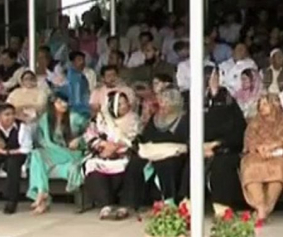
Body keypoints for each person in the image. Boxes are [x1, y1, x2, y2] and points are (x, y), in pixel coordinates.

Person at [179, 82, 247, 216]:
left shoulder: (232, 112)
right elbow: (188, 132)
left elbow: (237, 135)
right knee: (193, 163)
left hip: (226, 150)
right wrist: (200, 147)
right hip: (202, 148)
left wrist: (216, 145)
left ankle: (221, 208)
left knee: (221, 166)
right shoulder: (200, 112)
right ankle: (188, 204)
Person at [241, 94, 283, 221]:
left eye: (265, 104)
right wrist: (259, 148)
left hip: (282, 154)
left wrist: (275, 145)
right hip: (258, 154)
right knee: (250, 167)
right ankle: (260, 205)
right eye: (260, 105)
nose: (261, 108)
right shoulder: (255, 122)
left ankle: (267, 207)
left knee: (278, 168)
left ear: (274, 105)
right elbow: (249, 139)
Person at [83, 91, 142, 220]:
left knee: (133, 164)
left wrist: (115, 147)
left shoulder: (133, 119)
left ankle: (125, 206)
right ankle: (105, 205)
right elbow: (90, 136)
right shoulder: (100, 119)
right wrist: (103, 144)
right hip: (103, 154)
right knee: (91, 165)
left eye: (125, 103)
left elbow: (134, 140)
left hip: (124, 154)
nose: (124, 106)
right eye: (120, 104)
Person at [27, 93, 89, 214]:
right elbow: (43, 141)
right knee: (37, 157)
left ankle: (42, 195)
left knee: (37, 156)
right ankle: (42, 195)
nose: (64, 105)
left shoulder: (75, 117)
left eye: (65, 102)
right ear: (52, 104)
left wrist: (79, 139)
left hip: (71, 153)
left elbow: (92, 130)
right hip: (52, 153)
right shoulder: (45, 119)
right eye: (60, 102)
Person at [136, 88, 189, 204]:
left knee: (168, 163)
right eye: (161, 101)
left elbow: (186, 141)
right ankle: (134, 201)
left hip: (177, 153)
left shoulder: (184, 118)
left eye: (166, 102)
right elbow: (146, 136)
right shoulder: (155, 117)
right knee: (135, 162)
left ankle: (169, 199)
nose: (163, 105)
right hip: (154, 152)